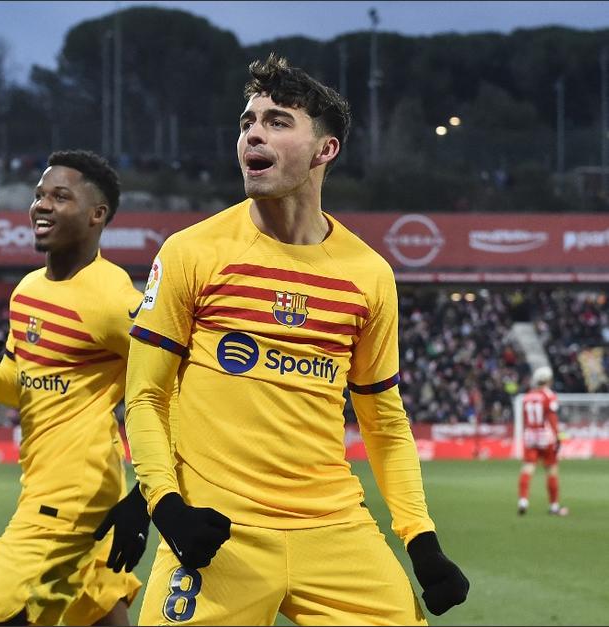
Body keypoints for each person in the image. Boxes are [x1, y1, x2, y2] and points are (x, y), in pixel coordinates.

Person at [124, 53, 469, 625]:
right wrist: (167, 507)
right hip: (216, 533)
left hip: (336, 529)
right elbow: (145, 396)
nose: (253, 133)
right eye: (247, 121)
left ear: (324, 150)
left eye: (276, 121)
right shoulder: (191, 252)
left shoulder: (368, 274)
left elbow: (383, 420)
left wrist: (421, 539)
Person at [0, 150, 150, 626]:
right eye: (39, 195)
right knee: (99, 616)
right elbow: (33, 384)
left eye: (60, 197)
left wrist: (147, 496)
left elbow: (172, 390)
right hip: (57, 490)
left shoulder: (113, 300)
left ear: (96, 215)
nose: (41, 205)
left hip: (67, 503)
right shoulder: (28, 291)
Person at [518, 366, 568, 516]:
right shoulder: (549, 396)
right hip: (545, 436)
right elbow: (552, 418)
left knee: (528, 467)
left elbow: (525, 419)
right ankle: (553, 506)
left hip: (530, 435)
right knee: (551, 469)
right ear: (548, 380)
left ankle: (523, 500)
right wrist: (558, 436)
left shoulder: (527, 396)